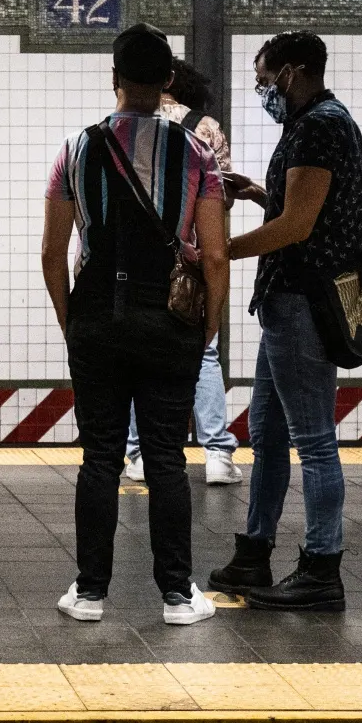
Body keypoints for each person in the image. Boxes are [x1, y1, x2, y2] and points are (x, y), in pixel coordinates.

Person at [43, 26, 229, 628]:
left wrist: (72, 318)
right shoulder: (196, 153)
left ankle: (90, 592)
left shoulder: (75, 148)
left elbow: (53, 252)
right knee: (167, 457)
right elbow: (215, 253)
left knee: (99, 456)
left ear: (114, 75)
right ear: (168, 80)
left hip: (96, 316)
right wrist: (208, 327)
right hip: (168, 319)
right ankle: (177, 596)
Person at [208, 31, 362, 612]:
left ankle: (322, 568)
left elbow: (297, 226)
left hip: (302, 300)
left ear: (291, 73)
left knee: (314, 442)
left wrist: (216, 250)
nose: (261, 90)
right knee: (269, 436)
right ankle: (254, 550)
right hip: (288, 300)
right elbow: (305, 210)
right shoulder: (319, 122)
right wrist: (256, 192)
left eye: (263, 78)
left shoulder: (319, 125)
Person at [121, 57, 240, 487]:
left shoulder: (119, 127)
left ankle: (138, 455)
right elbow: (219, 201)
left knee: (135, 357)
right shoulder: (206, 128)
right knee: (204, 353)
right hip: (187, 261)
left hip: (131, 264)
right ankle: (217, 455)